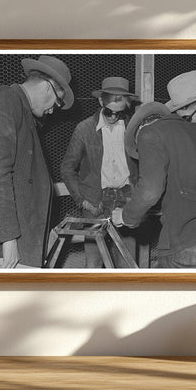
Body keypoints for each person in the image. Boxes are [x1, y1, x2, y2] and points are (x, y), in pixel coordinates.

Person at [0, 55, 74, 269]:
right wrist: (9, 240)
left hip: (18, 237)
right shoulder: (6, 100)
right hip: (6, 243)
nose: (53, 110)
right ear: (48, 88)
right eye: (57, 102)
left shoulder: (19, 107)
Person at [112, 89, 196, 268]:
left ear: (139, 130)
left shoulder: (149, 133)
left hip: (185, 240)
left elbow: (149, 191)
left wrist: (126, 216)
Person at [61, 77, 141, 268]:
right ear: (100, 102)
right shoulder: (84, 129)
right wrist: (82, 200)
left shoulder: (133, 129)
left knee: (128, 263)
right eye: (108, 112)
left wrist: (138, 196)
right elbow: (67, 168)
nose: (113, 117)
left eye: (119, 114)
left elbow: (144, 164)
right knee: (94, 263)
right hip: (95, 202)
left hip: (127, 199)